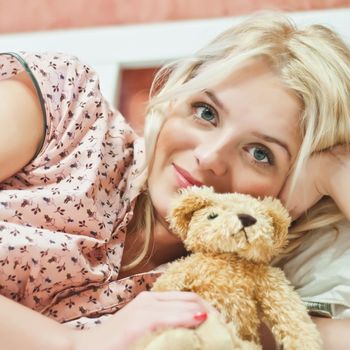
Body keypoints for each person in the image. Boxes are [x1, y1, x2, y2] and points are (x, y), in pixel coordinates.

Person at [0, 12, 349, 349]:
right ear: (175, 98)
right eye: (206, 113)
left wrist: (335, 170)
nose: (210, 157)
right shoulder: (67, 110)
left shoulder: (226, 303)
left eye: (259, 153)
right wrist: (72, 344)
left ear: (295, 192)